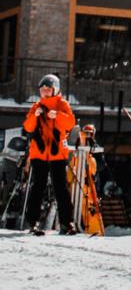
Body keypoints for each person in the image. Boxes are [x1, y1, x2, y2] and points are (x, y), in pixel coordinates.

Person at [22, 73, 77, 235]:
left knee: (61, 187)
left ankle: (67, 223)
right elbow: (28, 127)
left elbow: (70, 123)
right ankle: (32, 222)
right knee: (37, 187)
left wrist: (57, 115)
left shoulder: (62, 104)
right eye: (42, 89)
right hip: (39, 153)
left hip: (57, 153)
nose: (45, 92)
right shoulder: (36, 106)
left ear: (55, 90)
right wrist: (35, 115)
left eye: (48, 89)